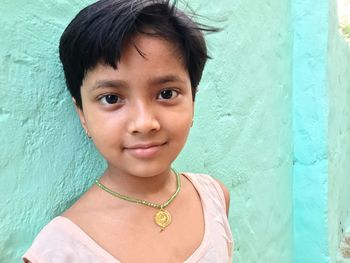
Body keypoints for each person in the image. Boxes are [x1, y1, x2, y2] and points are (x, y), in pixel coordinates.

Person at [22, 0, 233, 262]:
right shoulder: (59, 249)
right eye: (111, 98)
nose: (144, 123)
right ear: (82, 115)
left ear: (193, 99)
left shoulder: (214, 198)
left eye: (166, 94)